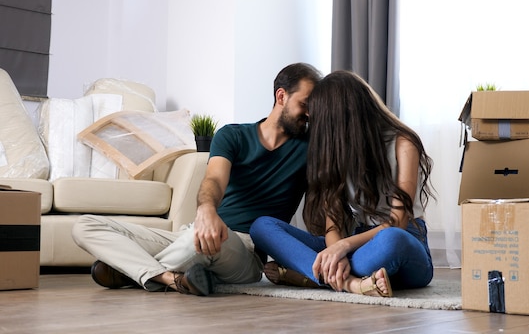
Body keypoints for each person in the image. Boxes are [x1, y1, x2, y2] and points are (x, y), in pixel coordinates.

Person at [72, 62, 323, 296]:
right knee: (84, 226)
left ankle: (129, 271)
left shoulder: (312, 148)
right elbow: (214, 179)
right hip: (198, 231)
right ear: (281, 96)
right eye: (305, 104)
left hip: (243, 250)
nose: (310, 114)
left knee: (197, 245)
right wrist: (206, 210)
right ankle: (169, 278)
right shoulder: (233, 135)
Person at [249, 70, 435, 297]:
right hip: (356, 246)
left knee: (391, 239)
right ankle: (352, 284)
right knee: (262, 227)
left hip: (402, 242)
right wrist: (336, 249)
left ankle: (310, 276)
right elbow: (333, 227)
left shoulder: (403, 142)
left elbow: (397, 222)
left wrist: (342, 248)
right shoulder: (337, 152)